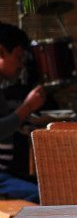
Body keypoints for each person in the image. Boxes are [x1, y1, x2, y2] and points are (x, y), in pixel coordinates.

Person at [0, 22, 45, 203]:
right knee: (43, 196)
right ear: (1, 52)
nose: (20, 65)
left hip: (4, 172)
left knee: (50, 186)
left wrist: (21, 127)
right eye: (18, 57)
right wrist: (27, 106)